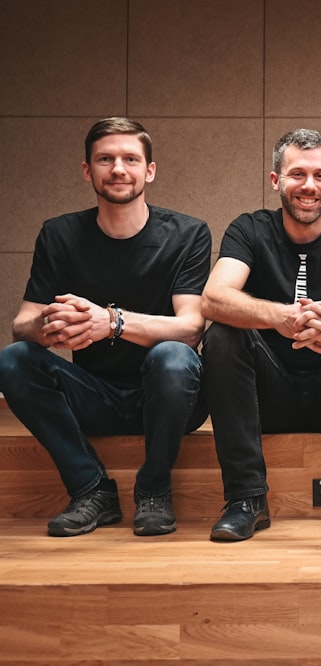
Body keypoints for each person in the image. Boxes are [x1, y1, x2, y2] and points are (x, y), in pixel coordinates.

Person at [0, 117, 211, 537]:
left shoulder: (188, 234)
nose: (118, 168)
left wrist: (110, 322)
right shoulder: (59, 235)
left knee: (174, 356)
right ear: (87, 170)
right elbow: (20, 325)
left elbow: (190, 328)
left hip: (171, 397)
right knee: (15, 359)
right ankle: (92, 489)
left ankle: (153, 491)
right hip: (93, 394)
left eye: (130, 158)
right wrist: (53, 323)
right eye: (105, 159)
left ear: (149, 170)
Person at [200, 128, 321, 542]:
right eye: (297, 174)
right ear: (276, 181)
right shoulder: (250, 229)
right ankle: (245, 499)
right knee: (222, 334)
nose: (309, 186)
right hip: (267, 395)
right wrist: (279, 317)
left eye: (320, 176)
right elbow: (213, 298)